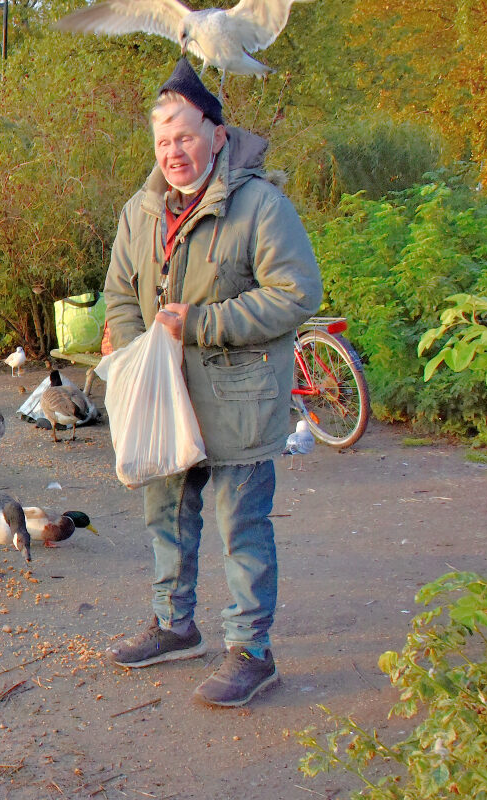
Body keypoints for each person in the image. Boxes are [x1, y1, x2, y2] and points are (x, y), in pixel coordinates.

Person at [101, 59, 322, 707]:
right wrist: (136, 347)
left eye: (186, 136)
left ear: (218, 136)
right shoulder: (138, 212)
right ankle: (175, 625)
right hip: (164, 400)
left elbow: (296, 294)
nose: (174, 152)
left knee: (242, 527)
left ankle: (252, 651)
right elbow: (119, 292)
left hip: (239, 400)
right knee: (165, 514)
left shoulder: (260, 204)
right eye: (163, 141)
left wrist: (201, 323)